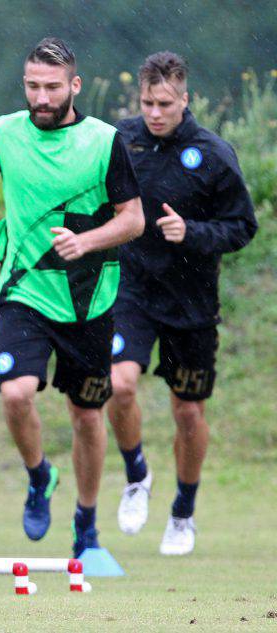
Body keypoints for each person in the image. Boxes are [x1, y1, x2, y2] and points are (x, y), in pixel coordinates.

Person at [0, 37, 144, 558]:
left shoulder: (104, 141)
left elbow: (133, 218)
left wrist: (85, 241)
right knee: (17, 393)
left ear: (75, 86)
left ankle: (86, 523)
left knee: (87, 416)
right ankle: (39, 475)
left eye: (52, 88)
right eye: (32, 87)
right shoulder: (3, 131)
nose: (41, 98)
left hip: (89, 300)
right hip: (22, 291)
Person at [107, 52, 256, 555]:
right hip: (131, 288)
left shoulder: (213, 154)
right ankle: (136, 477)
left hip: (191, 301)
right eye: (147, 102)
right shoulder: (122, 140)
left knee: (188, 412)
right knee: (119, 384)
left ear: (185, 99)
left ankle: (183, 513)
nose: (155, 112)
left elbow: (242, 228)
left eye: (165, 103)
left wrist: (190, 232)